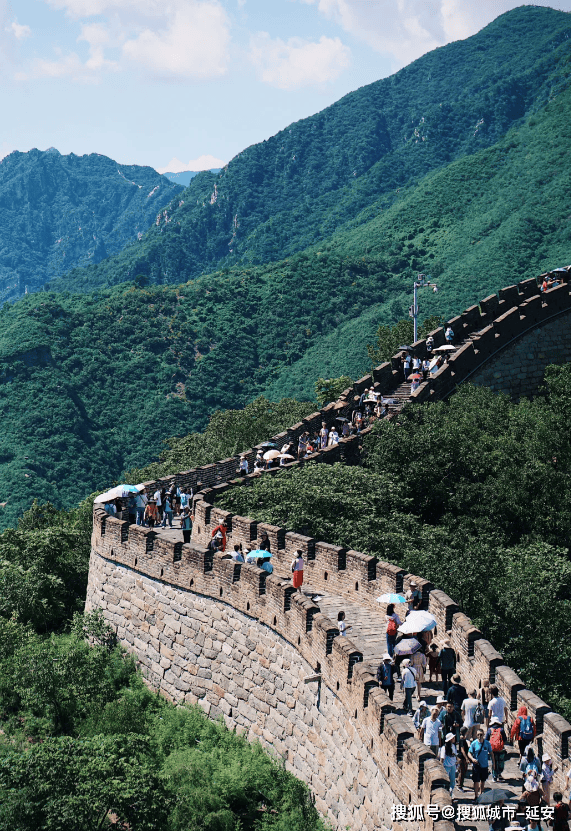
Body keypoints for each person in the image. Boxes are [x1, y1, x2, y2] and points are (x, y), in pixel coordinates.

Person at [468, 727, 492, 798]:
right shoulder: (474, 743)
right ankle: (476, 795)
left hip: (484, 765)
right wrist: (472, 759)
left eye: (481, 734)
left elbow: (491, 753)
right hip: (476, 765)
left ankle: (481, 793)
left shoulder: (487, 743)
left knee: (483, 780)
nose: (479, 736)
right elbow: (469, 753)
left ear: (483, 735)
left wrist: (493, 763)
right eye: (478, 735)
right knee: (476, 781)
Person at [486, 716, 507, 782]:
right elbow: (505, 739)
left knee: (494, 762)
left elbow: (486, 739)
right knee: (500, 761)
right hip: (500, 748)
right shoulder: (501, 730)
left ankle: (494, 776)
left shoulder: (489, 730)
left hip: (492, 749)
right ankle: (499, 773)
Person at [457, 726, 470, 792]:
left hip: (462, 757)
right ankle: (460, 786)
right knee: (462, 772)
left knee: (462, 771)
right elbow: (462, 750)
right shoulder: (462, 740)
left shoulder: (463, 739)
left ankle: (459, 782)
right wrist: (466, 758)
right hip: (462, 758)